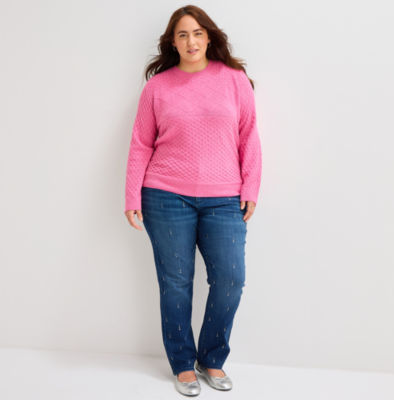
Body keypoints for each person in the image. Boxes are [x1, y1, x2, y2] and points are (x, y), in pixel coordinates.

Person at [124, 5, 262, 396]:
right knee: (176, 283)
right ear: (173, 42)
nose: (191, 41)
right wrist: (132, 194)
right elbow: (141, 144)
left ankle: (212, 358)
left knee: (231, 279)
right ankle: (183, 363)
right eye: (182, 34)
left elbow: (249, 137)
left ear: (209, 37)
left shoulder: (234, 80)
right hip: (165, 196)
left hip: (224, 198)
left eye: (198, 33)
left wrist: (250, 188)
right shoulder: (157, 87)